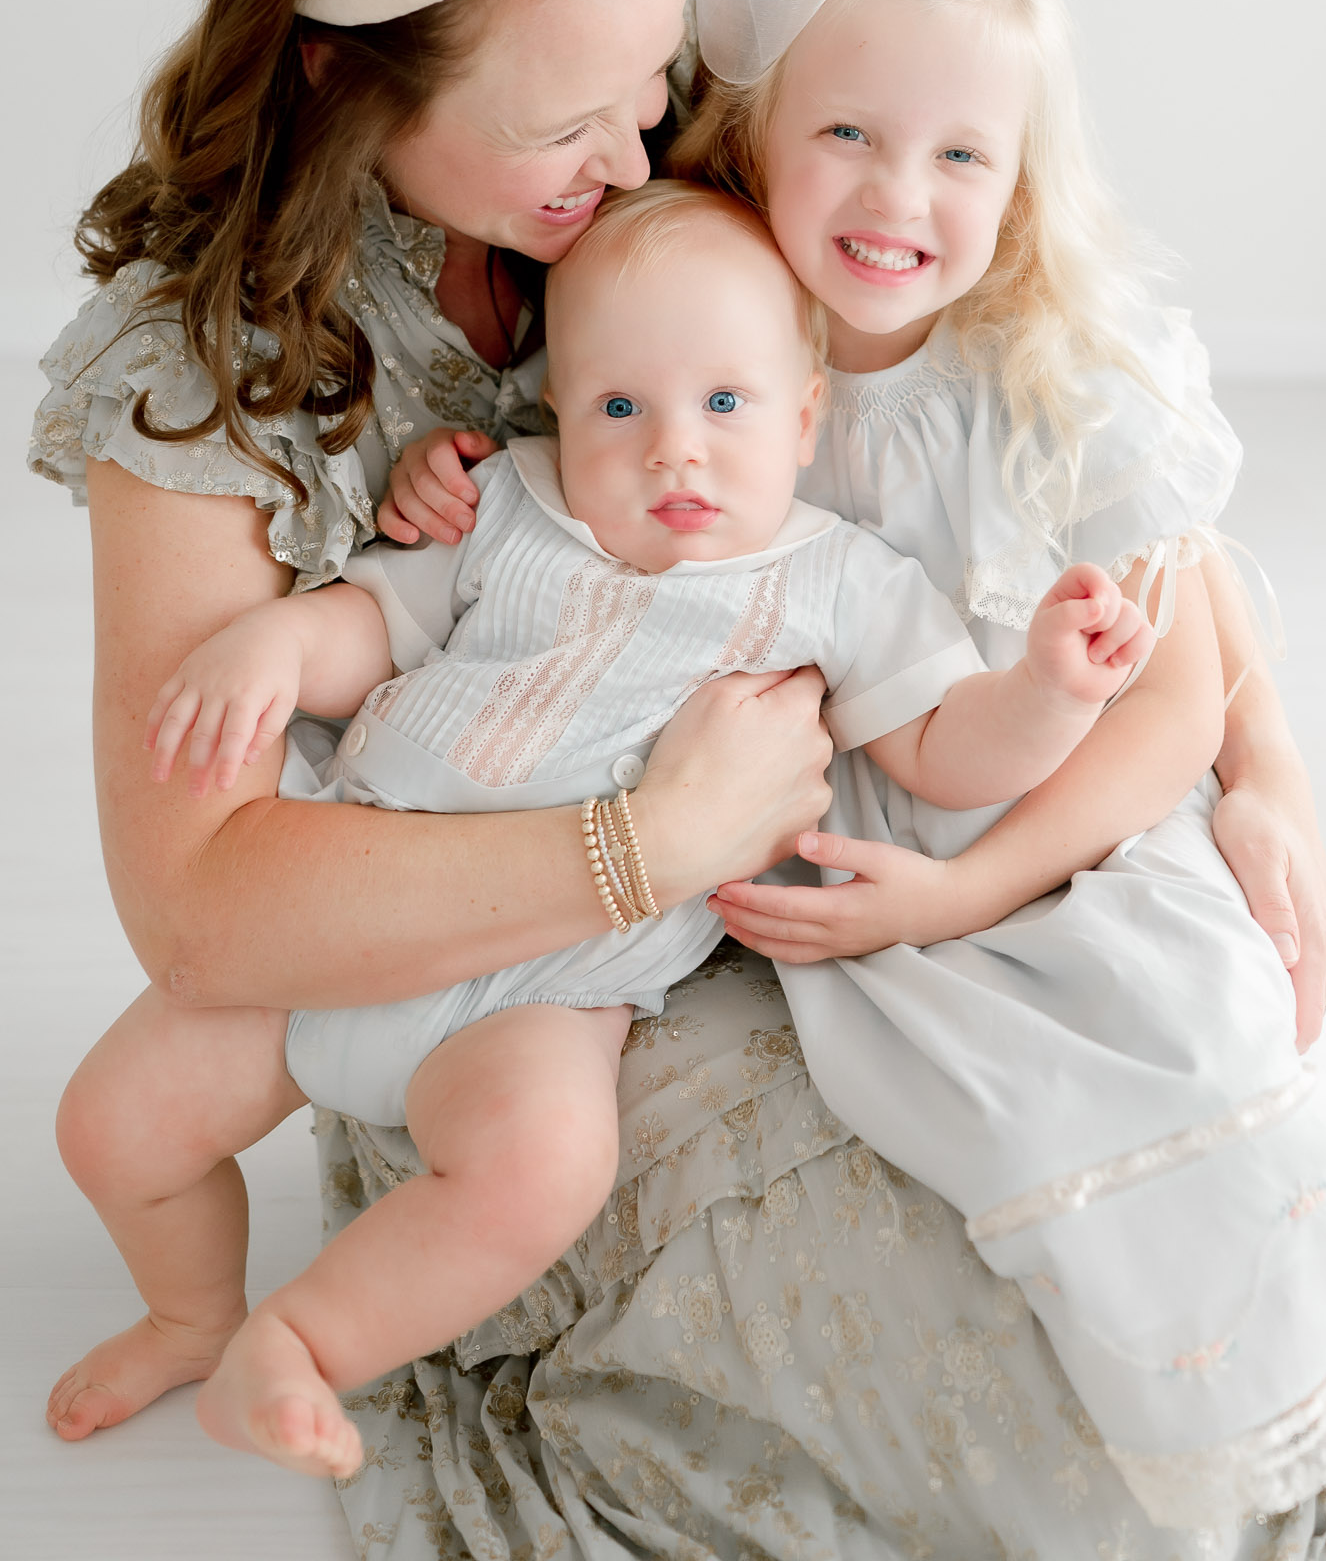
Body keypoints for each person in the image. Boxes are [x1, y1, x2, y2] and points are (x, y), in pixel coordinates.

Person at [31, 0, 1326, 1557]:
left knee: (1099, 1253)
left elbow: (1075, 443)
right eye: (567, 118)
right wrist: (645, 839)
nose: (641, 144)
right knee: (956, 1376)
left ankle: (1281, 1384)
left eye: (651, 86)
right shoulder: (200, 387)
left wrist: (1265, 753)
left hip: (758, 918)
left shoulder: (680, 192)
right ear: (345, 80)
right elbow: (202, 908)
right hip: (471, 956)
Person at [56, 182, 1155, 1481]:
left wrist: (1051, 691)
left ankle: (299, 1344)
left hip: (548, 991)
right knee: (111, 1126)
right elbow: (375, 628)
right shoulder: (510, 507)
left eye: (725, 406)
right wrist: (276, 644)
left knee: (540, 1172)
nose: (672, 451)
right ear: (559, 412)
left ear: (806, 417)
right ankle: (190, 1313)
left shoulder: (838, 585)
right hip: (354, 919)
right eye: (621, 408)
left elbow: (944, 749)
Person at [666, 0, 1326, 1531]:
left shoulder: (1050, 372)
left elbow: (1176, 690)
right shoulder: (717, 356)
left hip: (1075, 807)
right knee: (1005, 1124)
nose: (902, 194)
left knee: (1215, 1035)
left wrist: (979, 891)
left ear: (1020, 171)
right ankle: (1195, 1410)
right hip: (882, 815)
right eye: (848, 134)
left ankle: (1308, 1394)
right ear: (749, 135)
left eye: (963, 152)